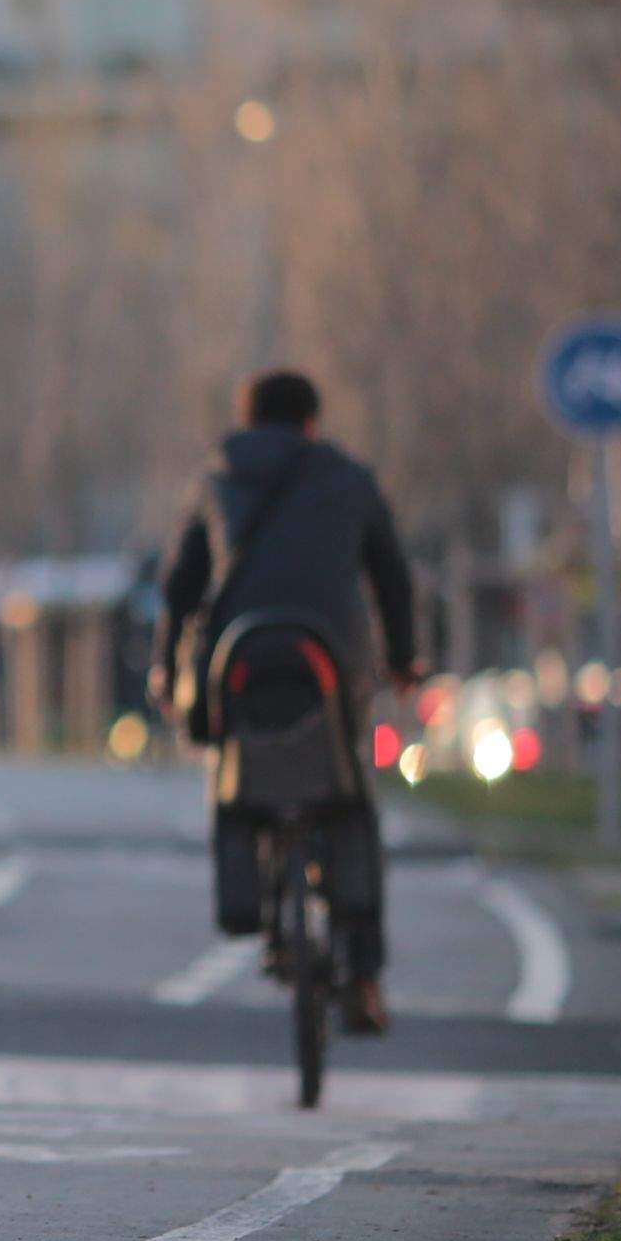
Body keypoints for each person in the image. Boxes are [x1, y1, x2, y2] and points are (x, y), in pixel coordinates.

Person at [148, 369, 421, 1035]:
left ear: (246, 422)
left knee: (230, 768)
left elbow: (180, 587)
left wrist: (165, 669)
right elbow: (392, 575)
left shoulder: (215, 479)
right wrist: (404, 659)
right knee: (351, 801)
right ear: (311, 423)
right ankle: (363, 976)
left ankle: (250, 890)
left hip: (235, 661)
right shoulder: (350, 479)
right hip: (332, 661)